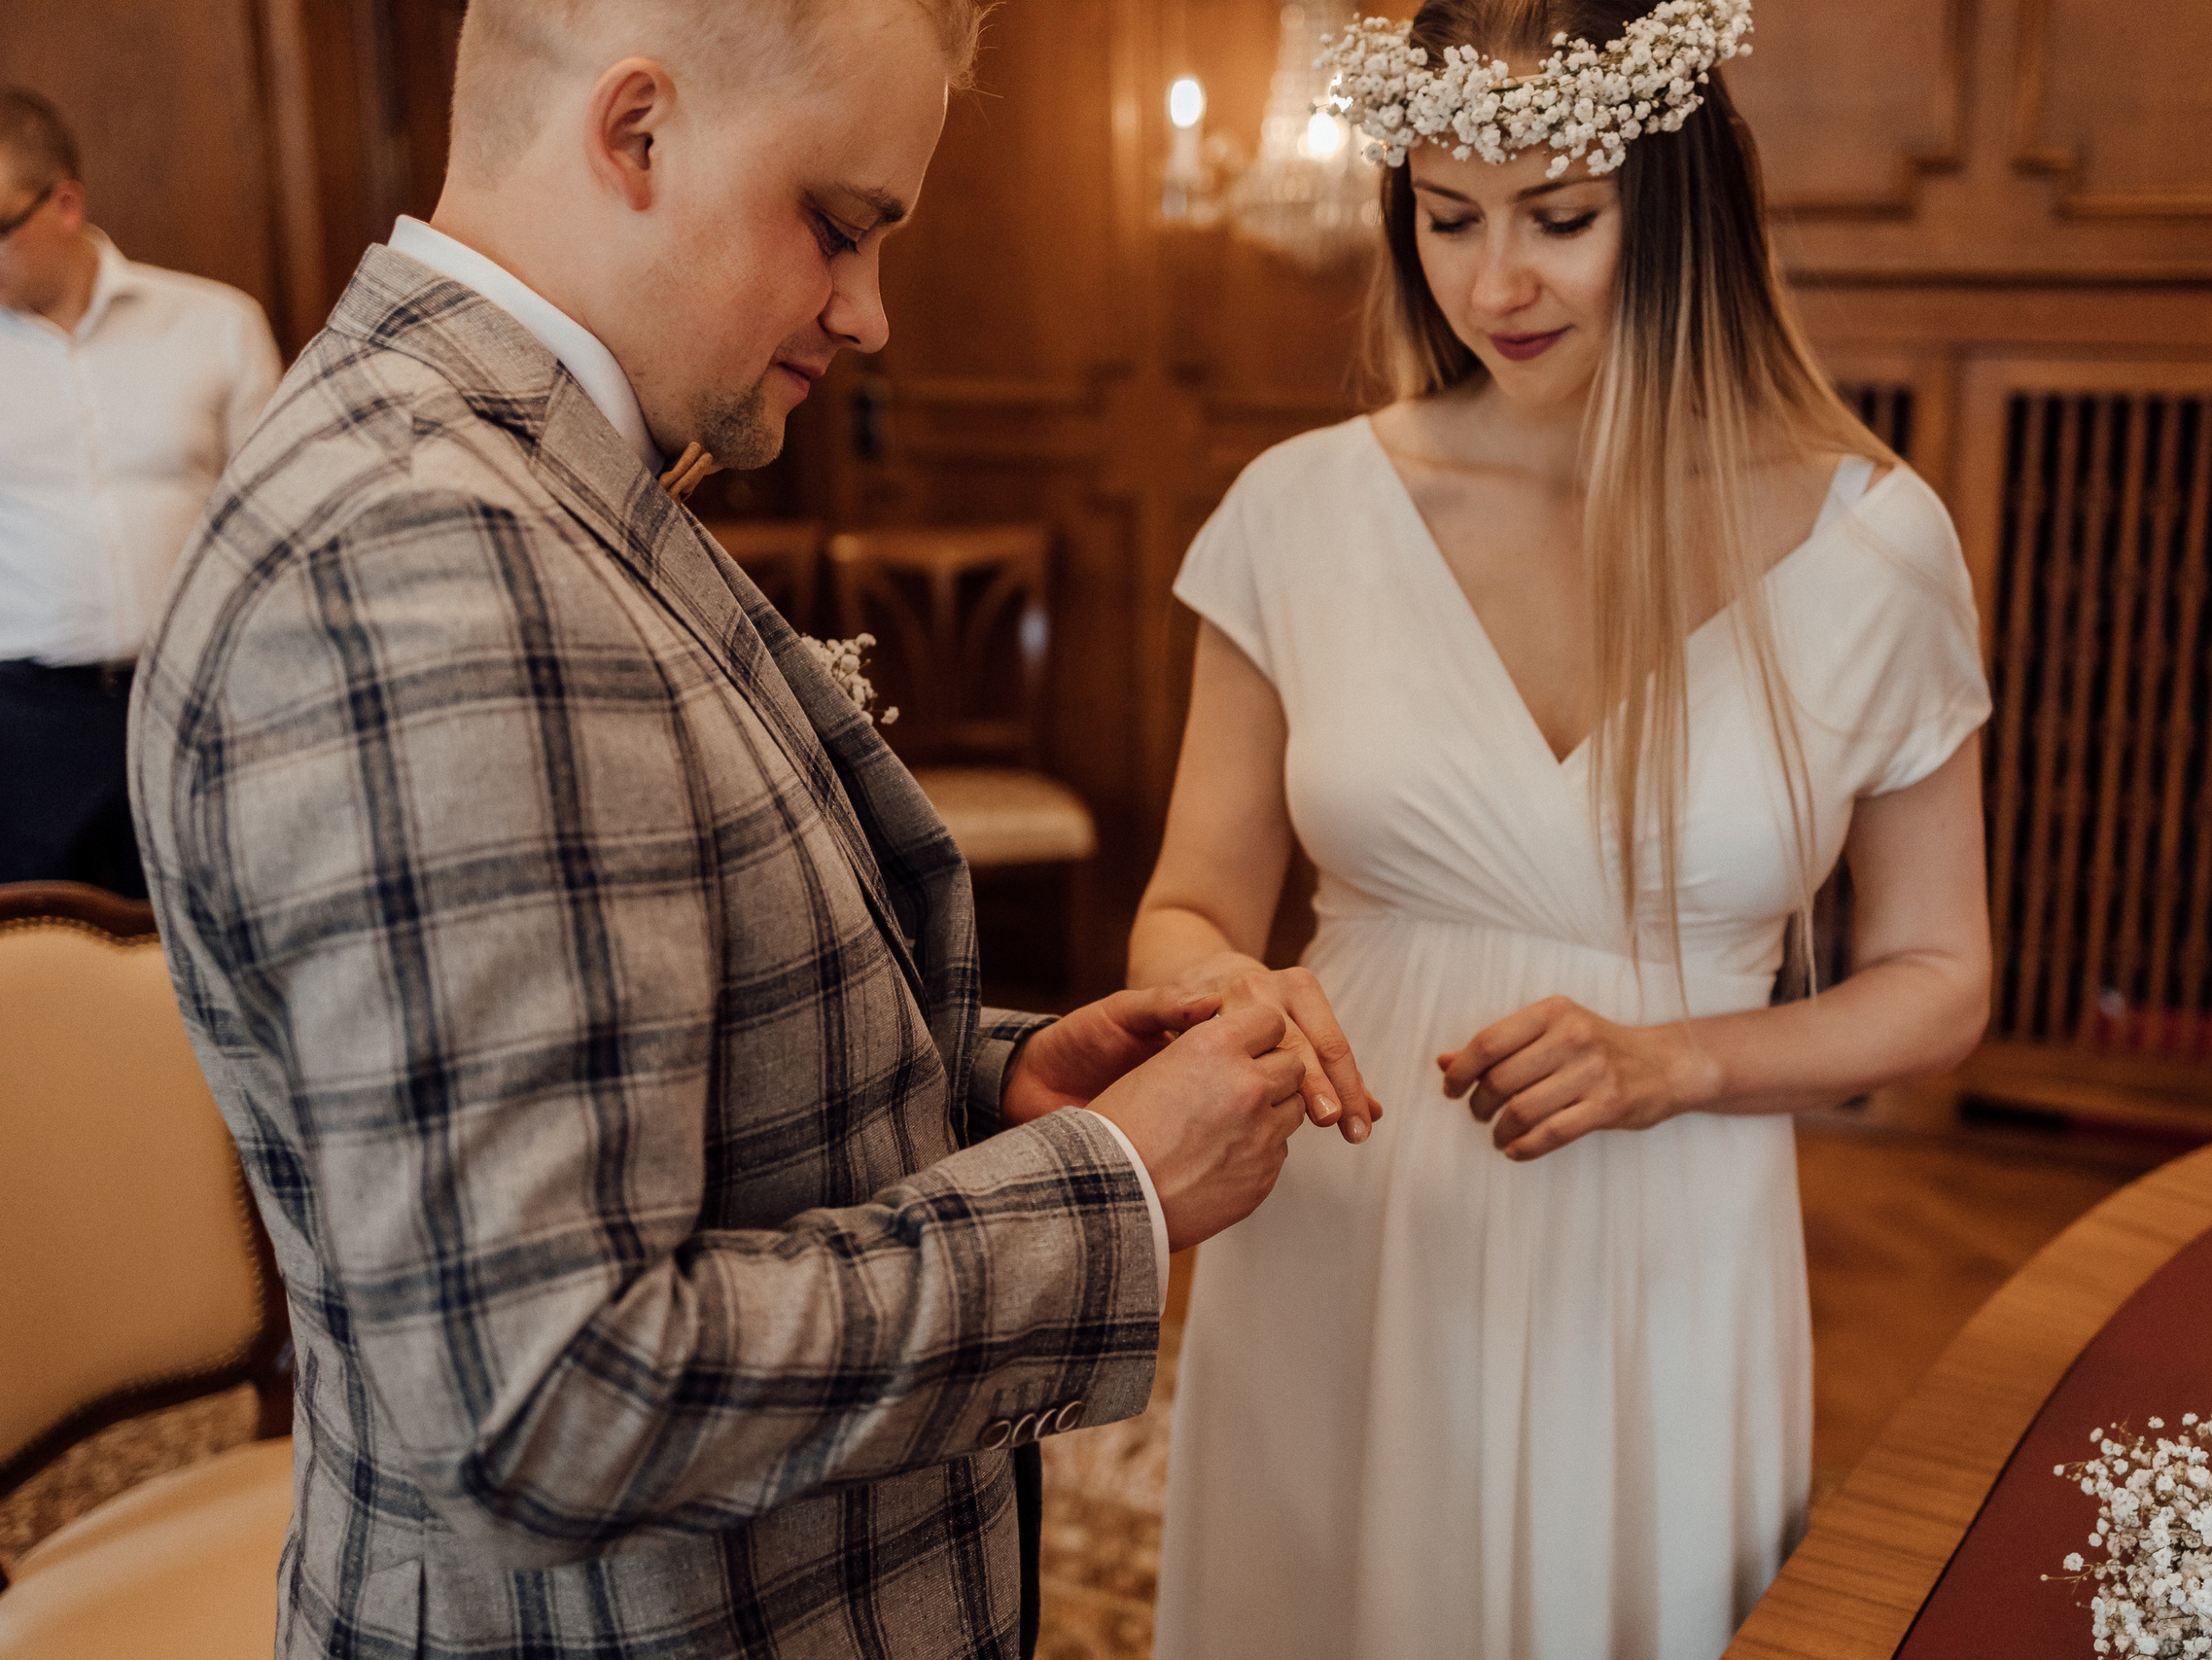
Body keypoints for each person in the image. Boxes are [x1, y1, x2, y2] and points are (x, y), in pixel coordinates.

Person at [128, 2, 1331, 1656]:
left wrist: (995, 1086)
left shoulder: (534, 477)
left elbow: (657, 1055)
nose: (870, 311)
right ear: (637, 133)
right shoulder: (428, 560)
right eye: (837, 227)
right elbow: (547, 1401)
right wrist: (1106, 1189)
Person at [1132, 0, 1996, 1654]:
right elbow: (1188, 901)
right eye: (1448, 219)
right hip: (1343, 1202)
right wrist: (1225, 986)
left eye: (1561, 220)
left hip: (1662, 1236)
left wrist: (1682, 1063)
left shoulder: (1875, 544)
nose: (1494, 285)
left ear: (1678, 207)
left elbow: (1942, 973)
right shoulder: (1298, 512)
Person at [0, 86, 280, 899]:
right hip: (26, 716)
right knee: (30, 971)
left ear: (64, 203)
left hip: (194, 698)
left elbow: (270, 523)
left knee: (207, 923)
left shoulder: (216, 324)